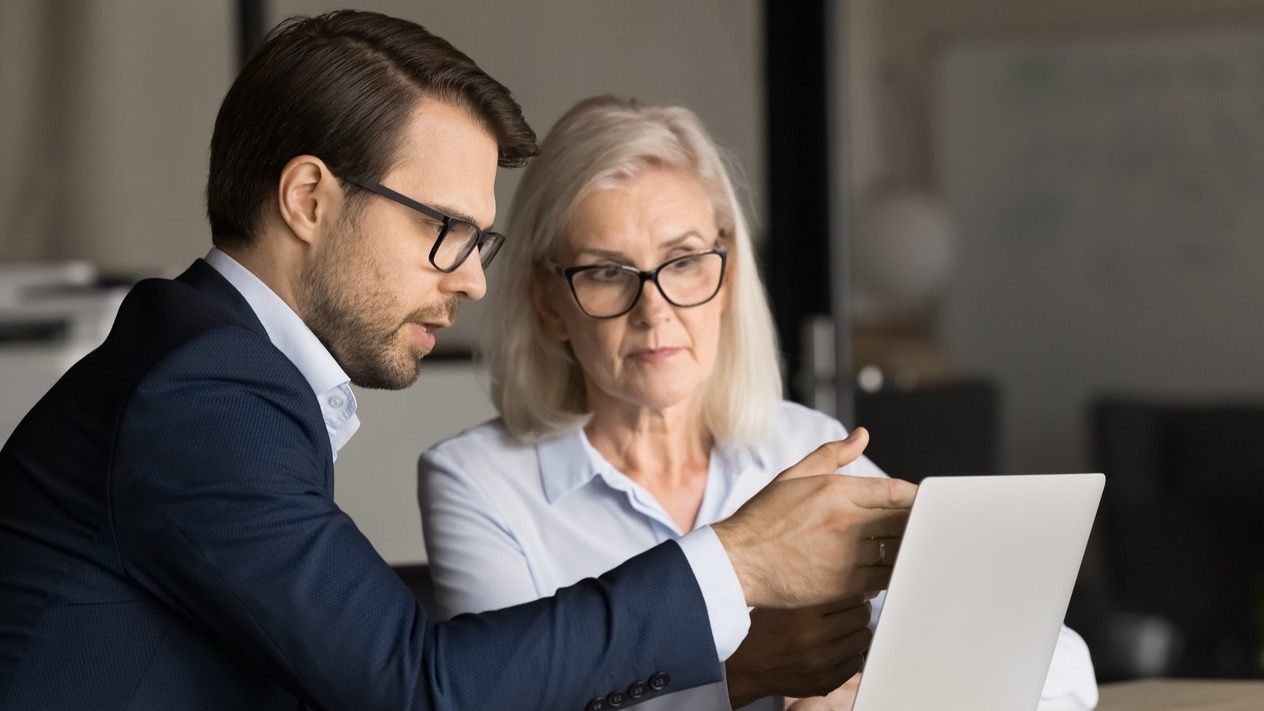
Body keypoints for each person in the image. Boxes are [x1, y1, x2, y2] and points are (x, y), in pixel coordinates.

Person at [0, 11, 916, 710]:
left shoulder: (214, 366)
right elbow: (420, 686)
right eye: (444, 230)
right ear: (310, 198)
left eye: (482, 240)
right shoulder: (203, 395)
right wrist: (741, 560)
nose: (476, 281)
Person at [418, 96, 1100, 710]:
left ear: (728, 270)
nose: (655, 311)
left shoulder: (806, 447)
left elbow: (1058, 665)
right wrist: (737, 680)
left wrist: (875, 697)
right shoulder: (478, 482)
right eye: (606, 271)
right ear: (549, 302)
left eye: (684, 260)